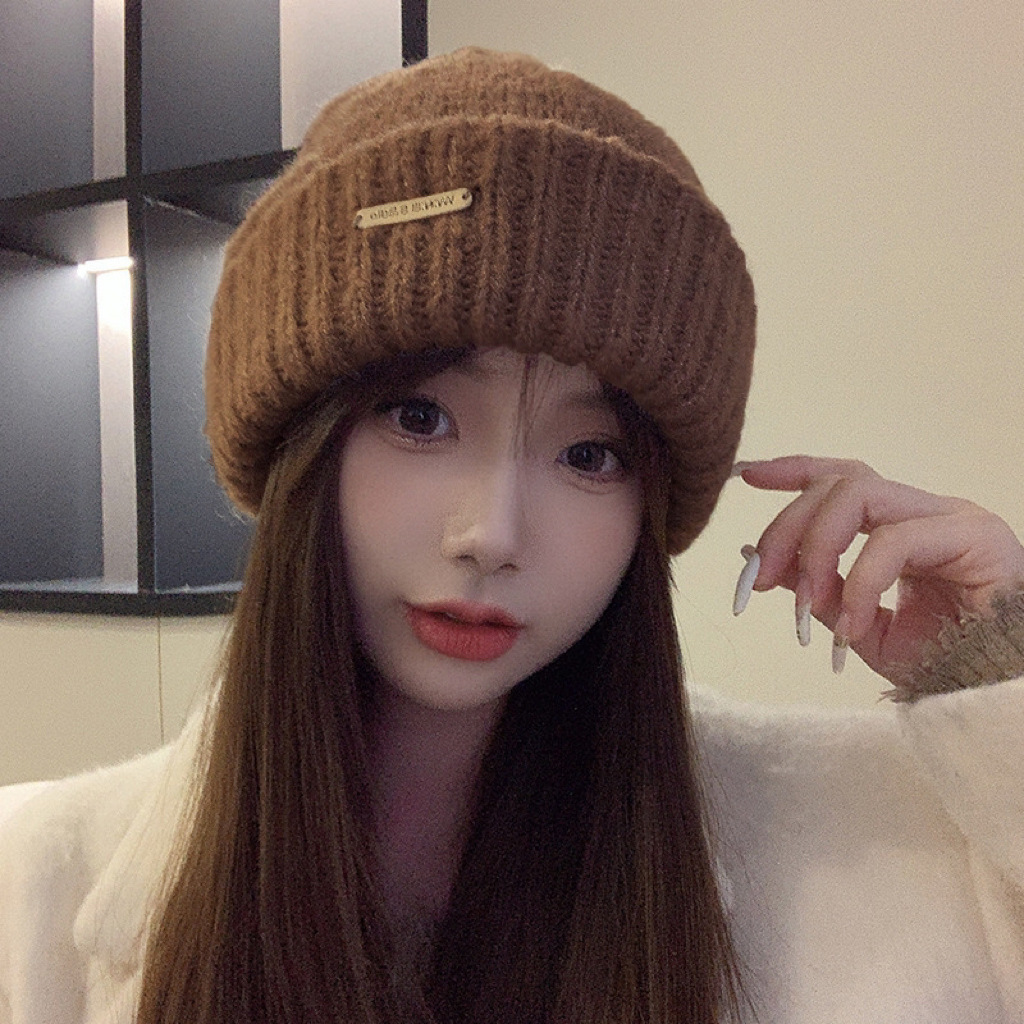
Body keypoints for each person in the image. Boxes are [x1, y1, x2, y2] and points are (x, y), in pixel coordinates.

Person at [2, 46, 1023, 1024]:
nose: (490, 534)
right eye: (419, 417)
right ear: (298, 449)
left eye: (589, 455)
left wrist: (1003, 673)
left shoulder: (881, 841)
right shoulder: (32, 882)